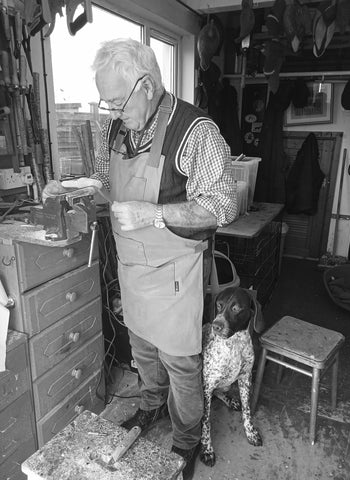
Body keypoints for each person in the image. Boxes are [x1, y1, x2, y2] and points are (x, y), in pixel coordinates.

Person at [44, 38, 237, 479]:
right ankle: (152, 406)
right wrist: (73, 188)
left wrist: (153, 213)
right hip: (132, 271)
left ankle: (185, 441)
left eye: (116, 101)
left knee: (181, 365)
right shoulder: (116, 130)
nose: (111, 112)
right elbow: (102, 181)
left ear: (146, 85)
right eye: (106, 102)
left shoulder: (195, 131)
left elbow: (222, 206)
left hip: (175, 275)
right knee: (143, 353)